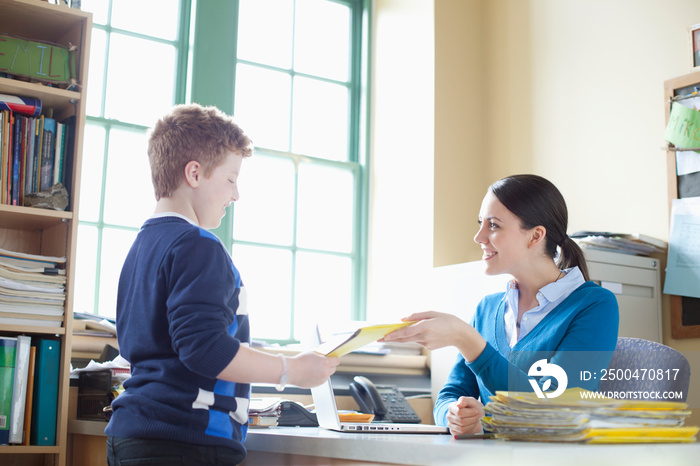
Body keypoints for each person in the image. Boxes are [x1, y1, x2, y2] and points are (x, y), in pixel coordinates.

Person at [105, 103, 339, 465]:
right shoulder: (198, 245)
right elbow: (205, 348)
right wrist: (292, 370)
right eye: (231, 179)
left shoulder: (142, 246)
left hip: (133, 433)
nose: (236, 194)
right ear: (194, 174)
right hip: (184, 441)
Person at [382, 174, 619, 436]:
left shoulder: (595, 305)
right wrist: (456, 415)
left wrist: (468, 340)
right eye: (480, 223)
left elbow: (553, 404)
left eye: (493, 225)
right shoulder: (488, 309)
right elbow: (450, 395)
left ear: (535, 236)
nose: (478, 237)